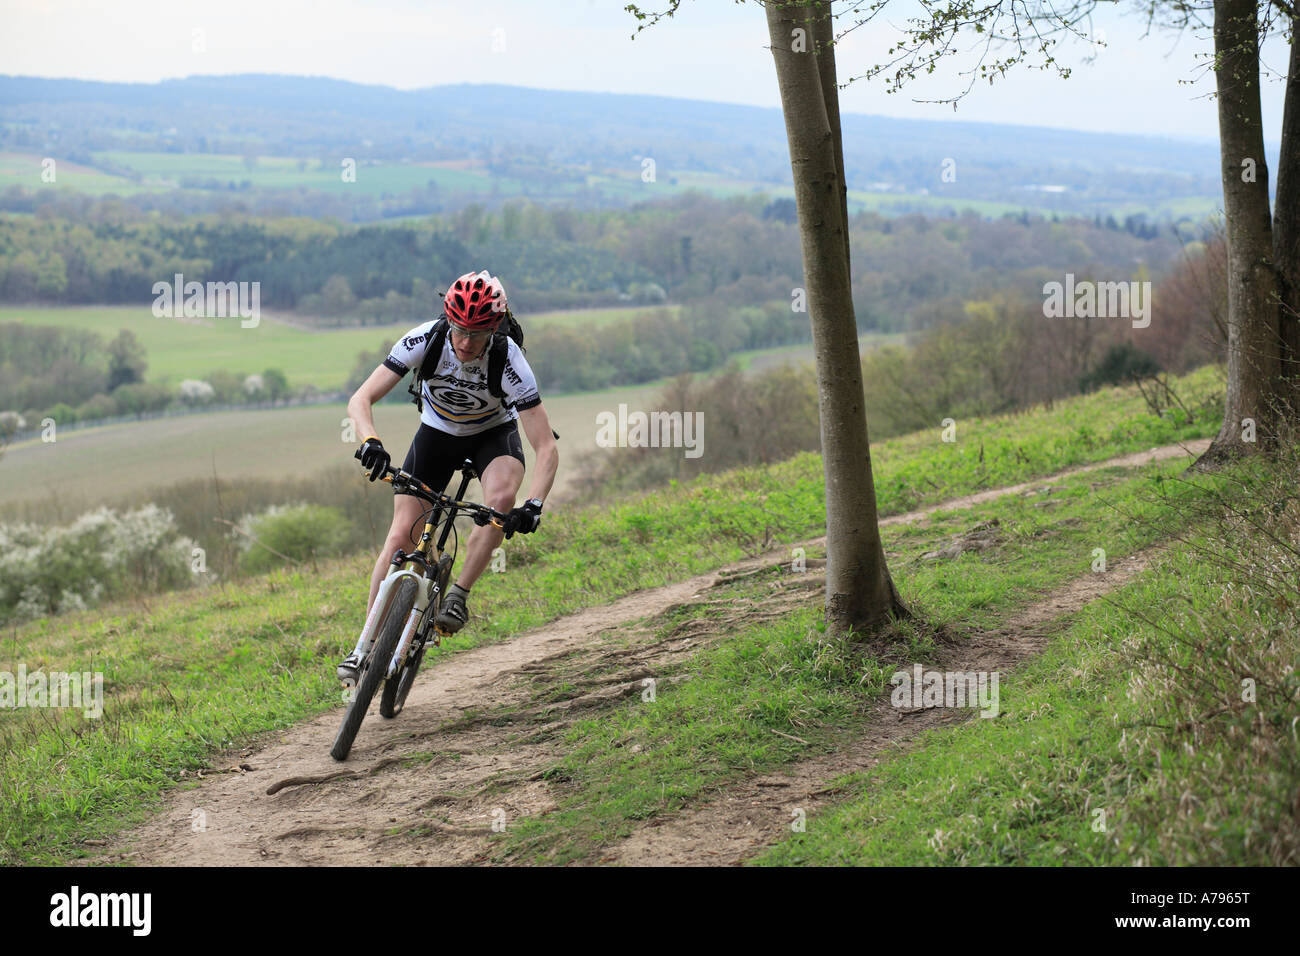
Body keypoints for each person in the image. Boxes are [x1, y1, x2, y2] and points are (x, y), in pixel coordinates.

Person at [337, 270, 559, 684]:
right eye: (459, 329)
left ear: (495, 328)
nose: (464, 342)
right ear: (447, 320)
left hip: (493, 436)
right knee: (401, 534)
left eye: (477, 334)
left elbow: (545, 446)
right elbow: (361, 398)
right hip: (437, 435)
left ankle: (458, 595)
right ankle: (364, 645)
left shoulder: (510, 361)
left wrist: (535, 505)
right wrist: (370, 441)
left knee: (500, 500)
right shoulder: (425, 339)